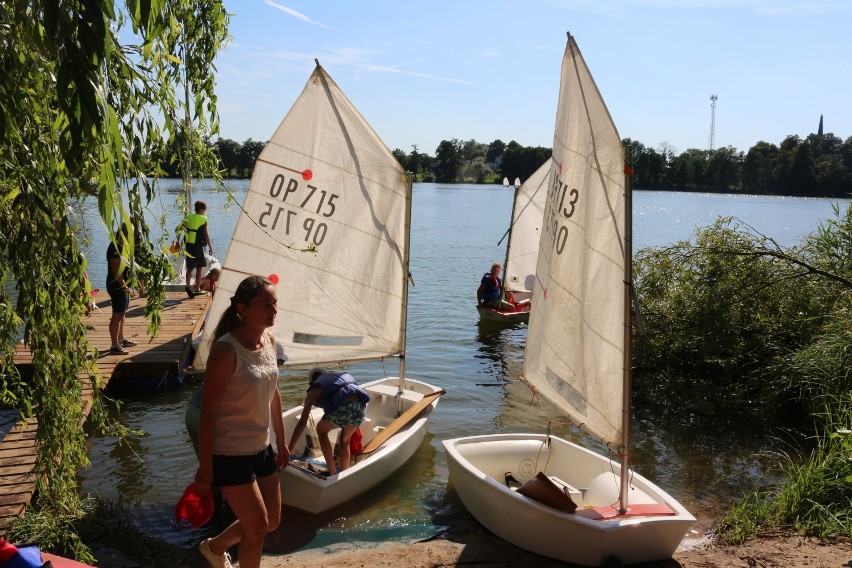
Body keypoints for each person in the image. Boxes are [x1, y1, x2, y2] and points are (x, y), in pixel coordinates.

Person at [194, 275, 288, 568]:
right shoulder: (225, 350)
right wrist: (206, 469)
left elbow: (273, 393)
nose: (274, 311)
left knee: (271, 521)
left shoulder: (269, 340)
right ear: (243, 309)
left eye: (274, 304)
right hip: (229, 453)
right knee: (257, 528)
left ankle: (214, 547)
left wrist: (281, 442)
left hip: (260, 448)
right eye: (266, 305)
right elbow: (208, 413)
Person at [288, 368, 370, 476]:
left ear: (311, 382)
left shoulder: (314, 390)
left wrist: (288, 451)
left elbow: (303, 422)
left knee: (321, 430)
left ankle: (332, 472)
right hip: (360, 409)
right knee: (345, 441)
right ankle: (344, 474)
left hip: (344, 408)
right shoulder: (335, 380)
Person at [105, 226, 138, 355]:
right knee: (117, 315)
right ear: (124, 233)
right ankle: (114, 345)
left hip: (123, 286)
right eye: (131, 233)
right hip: (116, 285)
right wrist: (125, 287)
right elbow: (116, 272)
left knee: (122, 313)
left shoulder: (124, 245)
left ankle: (121, 339)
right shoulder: (115, 247)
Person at [176, 200, 214, 298]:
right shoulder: (203, 219)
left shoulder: (187, 218)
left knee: (190, 268)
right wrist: (210, 246)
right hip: (198, 246)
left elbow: (179, 231)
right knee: (199, 268)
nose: (204, 212)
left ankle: (188, 286)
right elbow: (206, 235)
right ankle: (197, 289)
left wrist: (178, 244)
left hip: (188, 246)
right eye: (204, 210)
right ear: (201, 210)